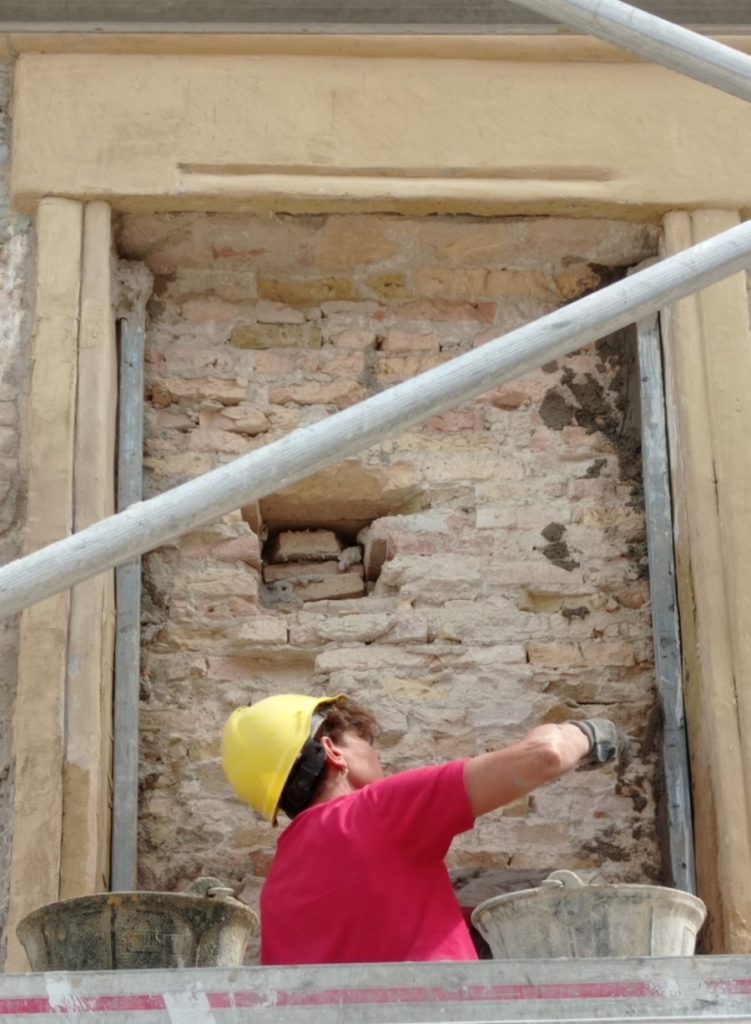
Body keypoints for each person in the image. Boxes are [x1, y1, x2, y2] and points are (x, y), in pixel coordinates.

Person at [221, 693, 630, 966]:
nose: (377, 754)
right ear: (332, 751)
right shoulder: (374, 813)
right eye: (363, 740)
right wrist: (586, 732)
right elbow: (545, 756)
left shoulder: (276, 890)